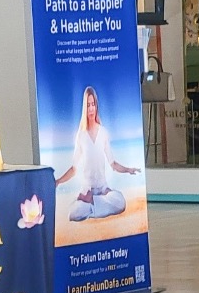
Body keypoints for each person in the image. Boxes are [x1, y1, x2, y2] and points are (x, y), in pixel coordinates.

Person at [55, 86, 141, 221]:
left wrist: (128, 169)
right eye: (88, 105)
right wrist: (58, 181)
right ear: (85, 107)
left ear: (96, 106)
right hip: (87, 190)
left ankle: (92, 204)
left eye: (93, 104)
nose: (91, 109)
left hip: (102, 189)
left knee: (121, 202)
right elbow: (74, 169)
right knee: (72, 213)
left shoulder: (104, 132)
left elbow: (113, 164)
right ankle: (93, 204)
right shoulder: (81, 135)